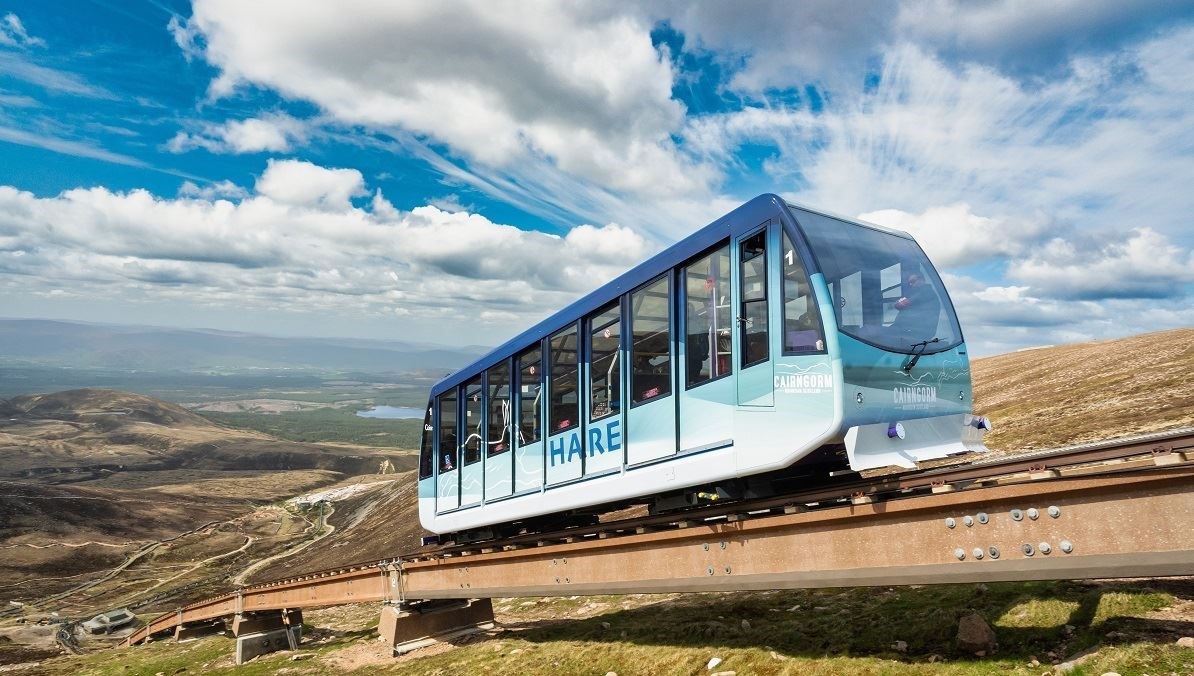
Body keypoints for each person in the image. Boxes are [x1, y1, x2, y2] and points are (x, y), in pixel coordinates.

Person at [889, 270, 940, 342]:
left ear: (922, 280)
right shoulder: (921, 293)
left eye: (913, 281)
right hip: (911, 332)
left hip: (914, 334)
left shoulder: (925, 292)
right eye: (910, 282)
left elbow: (899, 305)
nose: (911, 284)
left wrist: (898, 303)